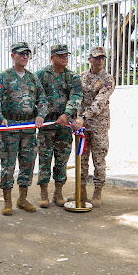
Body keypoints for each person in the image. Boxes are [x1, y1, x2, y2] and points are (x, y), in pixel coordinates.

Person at [0, 41, 47, 215]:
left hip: (29, 128)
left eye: (27, 54)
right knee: (8, 165)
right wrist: (0, 118)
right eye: (21, 53)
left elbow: (43, 100)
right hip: (10, 128)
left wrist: (41, 115)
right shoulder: (3, 77)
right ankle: (7, 201)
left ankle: (22, 199)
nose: (24, 57)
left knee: (28, 163)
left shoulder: (32, 78)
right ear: (12, 55)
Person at [35, 44, 83, 207]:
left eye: (66, 55)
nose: (64, 57)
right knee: (44, 159)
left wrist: (67, 114)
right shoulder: (41, 75)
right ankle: (43, 193)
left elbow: (76, 97)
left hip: (64, 126)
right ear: (52, 57)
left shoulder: (73, 77)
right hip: (47, 125)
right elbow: (36, 96)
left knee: (62, 159)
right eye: (60, 55)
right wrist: (40, 114)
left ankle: (58, 192)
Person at [70, 46, 115, 207]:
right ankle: (81, 190)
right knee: (81, 159)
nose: (100, 60)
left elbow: (100, 102)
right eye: (97, 58)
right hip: (82, 126)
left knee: (99, 159)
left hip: (98, 126)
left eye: (103, 58)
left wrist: (83, 116)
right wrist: (75, 117)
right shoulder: (81, 77)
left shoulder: (108, 79)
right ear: (90, 59)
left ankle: (97, 191)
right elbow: (76, 99)